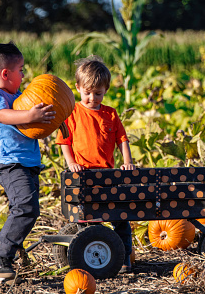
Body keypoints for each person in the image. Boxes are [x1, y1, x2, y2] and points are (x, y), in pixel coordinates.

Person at [0, 42, 56, 281]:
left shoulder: (18, 96)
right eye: (20, 70)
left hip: (28, 162)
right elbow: (2, 115)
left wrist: (51, 118)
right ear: (5, 74)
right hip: (10, 164)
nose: (23, 75)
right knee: (26, 208)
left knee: (27, 211)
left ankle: (4, 257)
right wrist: (31, 115)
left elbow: (31, 125)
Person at [56, 55, 135, 273]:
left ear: (105, 91)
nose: (92, 98)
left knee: (120, 218)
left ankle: (125, 258)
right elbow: (64, 141)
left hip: (108, 175)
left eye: (98, 93)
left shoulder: (110, 113)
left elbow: (122, 139)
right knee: (87, 218)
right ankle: (89, 255)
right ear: (78, 88)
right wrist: (71, 162)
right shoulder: (71, 113)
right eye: (87, 93)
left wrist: (127, 162)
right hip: (84, 175)